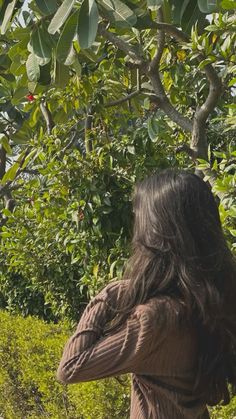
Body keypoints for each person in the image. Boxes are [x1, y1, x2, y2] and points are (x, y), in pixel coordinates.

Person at [57, 169, 236, 418]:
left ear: (156, 234)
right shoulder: (212, 300)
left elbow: (71, 367)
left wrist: (109, 294)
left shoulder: (155, 320)